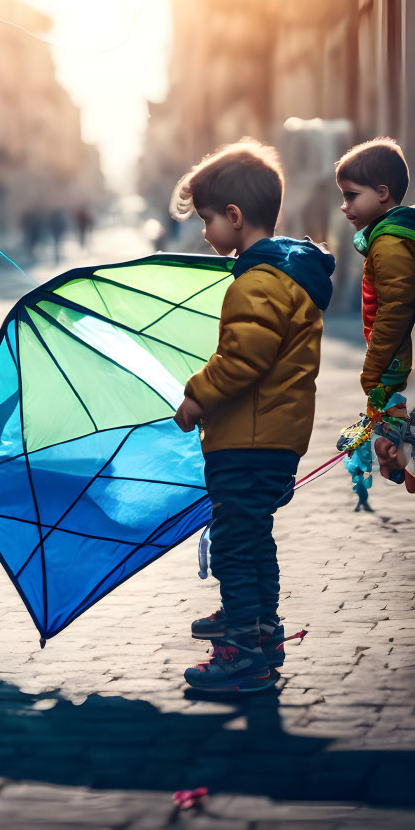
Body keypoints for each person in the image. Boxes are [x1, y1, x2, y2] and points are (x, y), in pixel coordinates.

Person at [170, 139, 335, 694]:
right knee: (253, 536)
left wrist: (196, 396)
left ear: (234, 217)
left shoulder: (257, 280)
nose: (204, 232)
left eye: (206, 220)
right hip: (274, 437)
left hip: (249, 438)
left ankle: (240, 647)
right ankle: (262, 627)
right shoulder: (286, 275)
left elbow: (242, 360)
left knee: (236, 543)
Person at [334, 137, 415, 401]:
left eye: (351, 195)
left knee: (388, 423)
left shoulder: (389, 244)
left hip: (389, 360)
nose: (344, 205)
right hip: (388, 356)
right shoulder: (385, 238)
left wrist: (374, 367)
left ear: (382, 193)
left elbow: (395, 311)